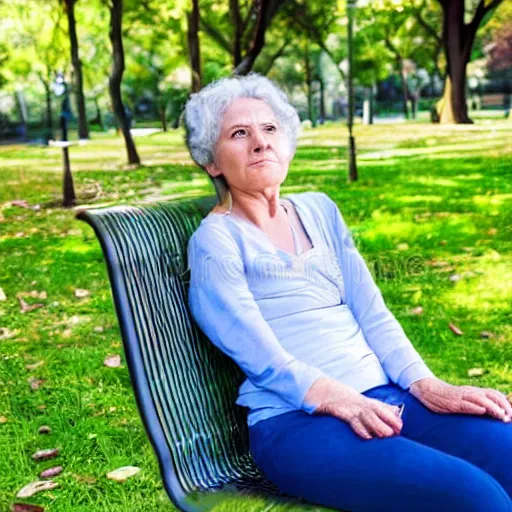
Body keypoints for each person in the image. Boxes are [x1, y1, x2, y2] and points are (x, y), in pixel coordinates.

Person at [182, 73, 512, 512]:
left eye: (270, 129)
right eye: (239, 134)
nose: (260, 143)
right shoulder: (216, 241)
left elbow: (371, 311)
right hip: (296, 423)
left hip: (389, 398)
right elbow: (259, 354)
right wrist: (338, 399)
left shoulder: (320, 209)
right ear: (211, 161)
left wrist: (426, 384)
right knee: (476, 497)